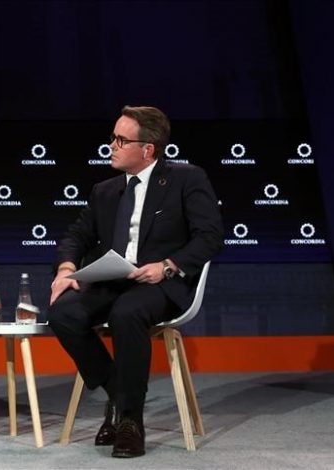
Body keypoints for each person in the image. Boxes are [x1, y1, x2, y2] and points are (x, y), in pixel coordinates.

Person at [48, 106, 223, 458]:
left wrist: (168, 266)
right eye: (112, 138)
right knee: (63, 313)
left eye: (120, 140)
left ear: (148, 149)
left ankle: (130, 421)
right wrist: (66, 269)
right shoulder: (104, 190)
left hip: (160, 284)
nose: (111, 146)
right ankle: (118, 393)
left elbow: (210, 235)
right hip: (112, 281)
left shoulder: (186, 179)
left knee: (127, 313)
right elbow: (77, 235)